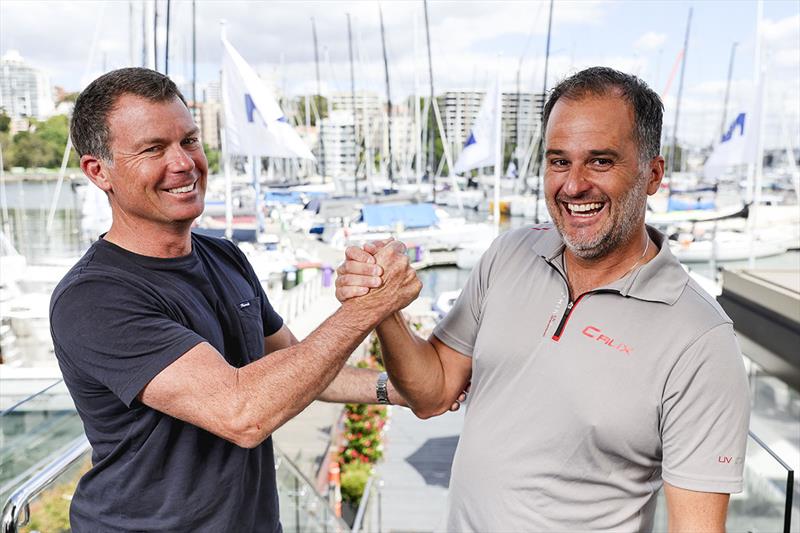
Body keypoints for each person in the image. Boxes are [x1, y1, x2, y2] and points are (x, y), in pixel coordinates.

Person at [336, 67, 750, 531]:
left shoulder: (701, 340)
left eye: (600, 161)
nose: (572, 186)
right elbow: (432, 392)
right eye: (558, 161)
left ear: (652, 175)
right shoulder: (509, 254)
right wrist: (384, 310)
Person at [49, 67, 426, 532]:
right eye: (153, 149)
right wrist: (368, 308)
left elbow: (296, 364)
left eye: (189, 141)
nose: (184, 163)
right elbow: (242, 413)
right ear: (98, 171)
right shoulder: (94, 297)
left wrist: (401, 389)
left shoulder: (223, 254)